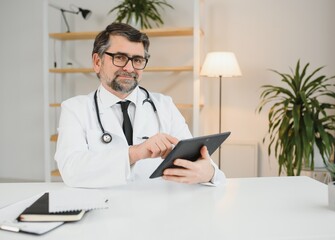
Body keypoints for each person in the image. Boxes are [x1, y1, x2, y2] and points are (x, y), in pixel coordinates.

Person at [54, 22, 226, 188]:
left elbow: (202, 163)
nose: (129, 68)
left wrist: (208, 173)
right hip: (104, 210)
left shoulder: (164, 105)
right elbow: (71, 170)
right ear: (97, 62)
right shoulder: (75, 109)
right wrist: (135, 153)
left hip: (157, 211)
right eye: (120, 58)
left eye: (137, 60)